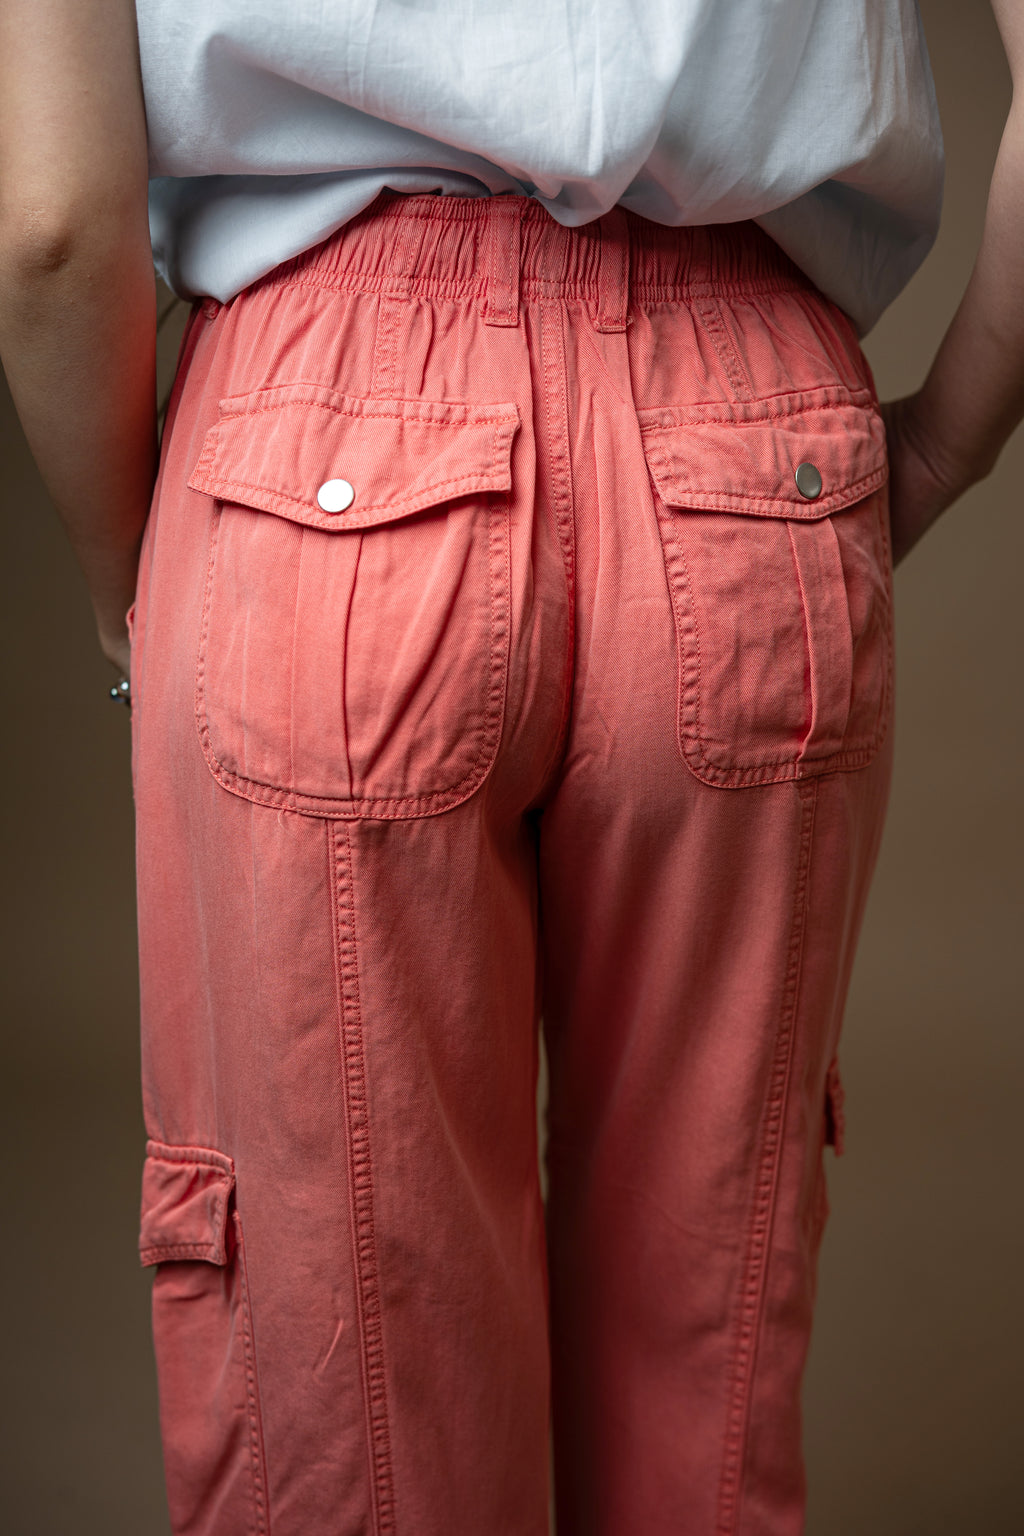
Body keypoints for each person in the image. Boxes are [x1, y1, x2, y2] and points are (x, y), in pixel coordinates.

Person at [0, 3, 1021, 1533]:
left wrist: (118, 579)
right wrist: (945, 445)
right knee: (709, 1327)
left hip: (317, 448)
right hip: (744, 458)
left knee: (341, 1372)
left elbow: (54, 225)